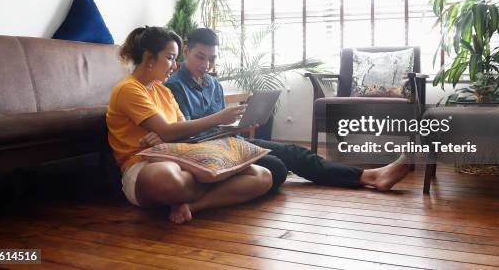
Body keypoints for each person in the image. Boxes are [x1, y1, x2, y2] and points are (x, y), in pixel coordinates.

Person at [165, 28, 410, 193]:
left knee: (294, 152)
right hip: (211, 153)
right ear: (185, 51)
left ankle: (370, 176)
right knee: (278, 167)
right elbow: (187, 135)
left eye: (212, 59)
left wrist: (241, 125)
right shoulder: (174, 86)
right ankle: (368, 177)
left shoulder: (213, 84)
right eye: (200, 57)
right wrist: (222, 121)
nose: (206, 65)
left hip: (231, 143)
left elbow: (219, 128)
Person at [106, 26, 273, 224]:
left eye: (175, 59)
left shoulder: (163, 90)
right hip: (142, 165)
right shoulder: (128, 89)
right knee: (169, 178)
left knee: (263, 176)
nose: (175, 66)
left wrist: (166, 135)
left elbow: (182, 131)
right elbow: (169, 130)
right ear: (149, 57)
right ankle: (221, 181)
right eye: (169, 57)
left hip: (177, 156)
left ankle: (192, 206)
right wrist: (217, 118)